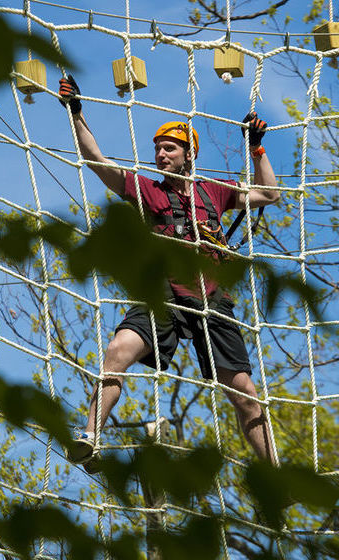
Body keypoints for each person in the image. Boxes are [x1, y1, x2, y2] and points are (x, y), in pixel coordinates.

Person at [58, 75, 280, 472]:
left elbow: (270, 194)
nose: (161, 155)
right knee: (116, 352)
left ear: (188, 154)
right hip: (165, 294)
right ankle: (90, 435)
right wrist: (77, 113)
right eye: (158, 149)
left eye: (170, 148)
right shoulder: (148, 190)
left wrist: (257, 149)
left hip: (211, 300)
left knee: (246, 395)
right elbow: (97, 162)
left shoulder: (215, 191)